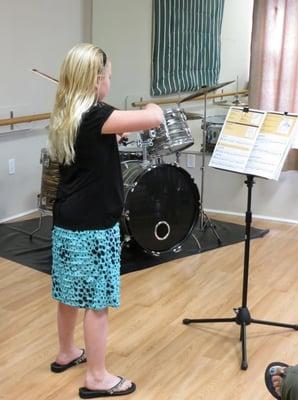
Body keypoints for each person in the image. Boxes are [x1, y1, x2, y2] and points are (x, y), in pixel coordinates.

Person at [48, 43, 164, 398]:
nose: (110, 81)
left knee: (68, 296)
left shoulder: (66, 112)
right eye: (109, 76)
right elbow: (155, 118)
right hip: (94, 226)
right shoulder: (98, 115)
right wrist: (150, 105)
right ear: (96, 81)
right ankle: (97, 377)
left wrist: (113, 134)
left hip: (67, 220)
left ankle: (67, 352)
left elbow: (89, 146)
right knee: (97, 304)